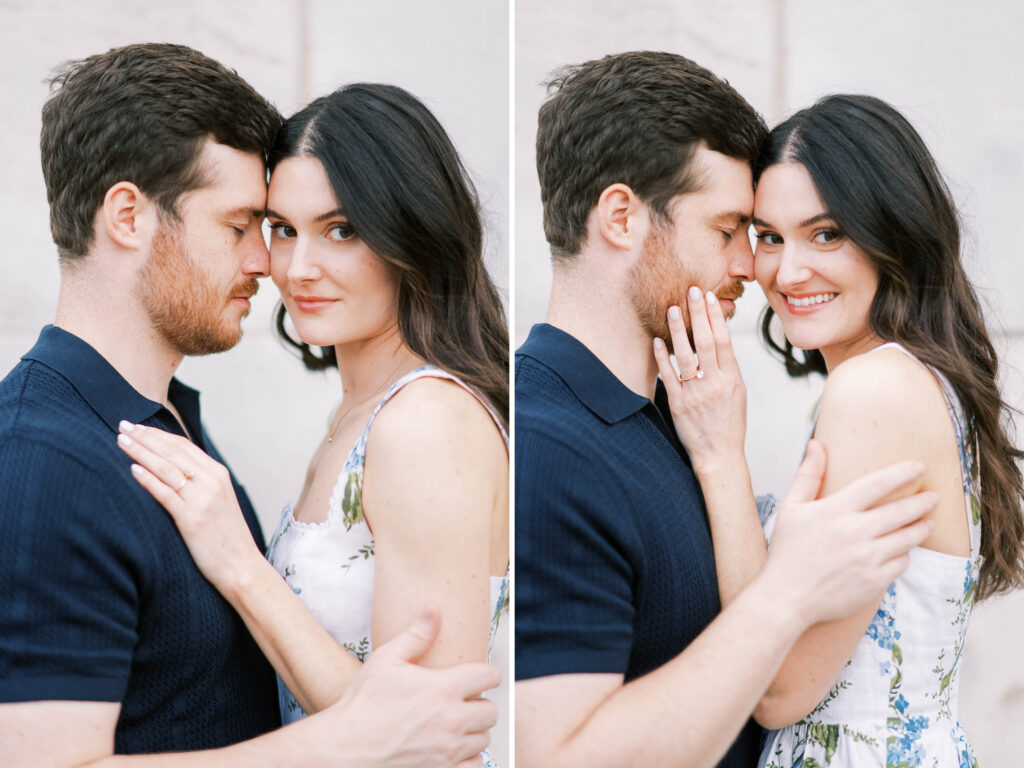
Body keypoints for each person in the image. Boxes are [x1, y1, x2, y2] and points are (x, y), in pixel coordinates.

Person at [0, 43, 499, 767]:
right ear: (129, 218)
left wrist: (244, 568)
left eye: (338, 229)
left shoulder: (168, 424)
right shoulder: (42, 461)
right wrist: (345, 741)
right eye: (248, 227)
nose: (273, 265)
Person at [514, 51, 941, 768]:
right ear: (621, 217)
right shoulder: (548, 444)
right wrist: (790, 590)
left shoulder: (668, 422)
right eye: (729, 230)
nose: (753, 266)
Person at [653, 94, 1024, 767]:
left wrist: (718, 455)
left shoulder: (874, 389)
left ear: (894, 236)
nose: (789, 273)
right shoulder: (910, 381)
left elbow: (778, 685)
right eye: (768, 237)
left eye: (826, 234)